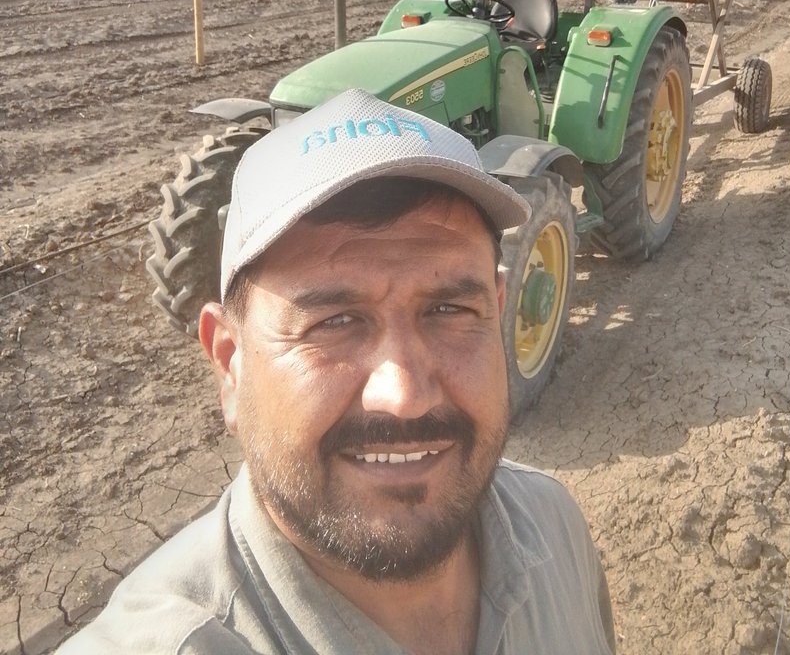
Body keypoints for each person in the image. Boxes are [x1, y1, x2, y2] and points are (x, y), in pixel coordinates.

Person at [59, 89, 617, 654]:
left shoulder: (556, 530)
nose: (405, 395)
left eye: (449, 311)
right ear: (231, 364)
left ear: (498, 313)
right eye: (334, 321)